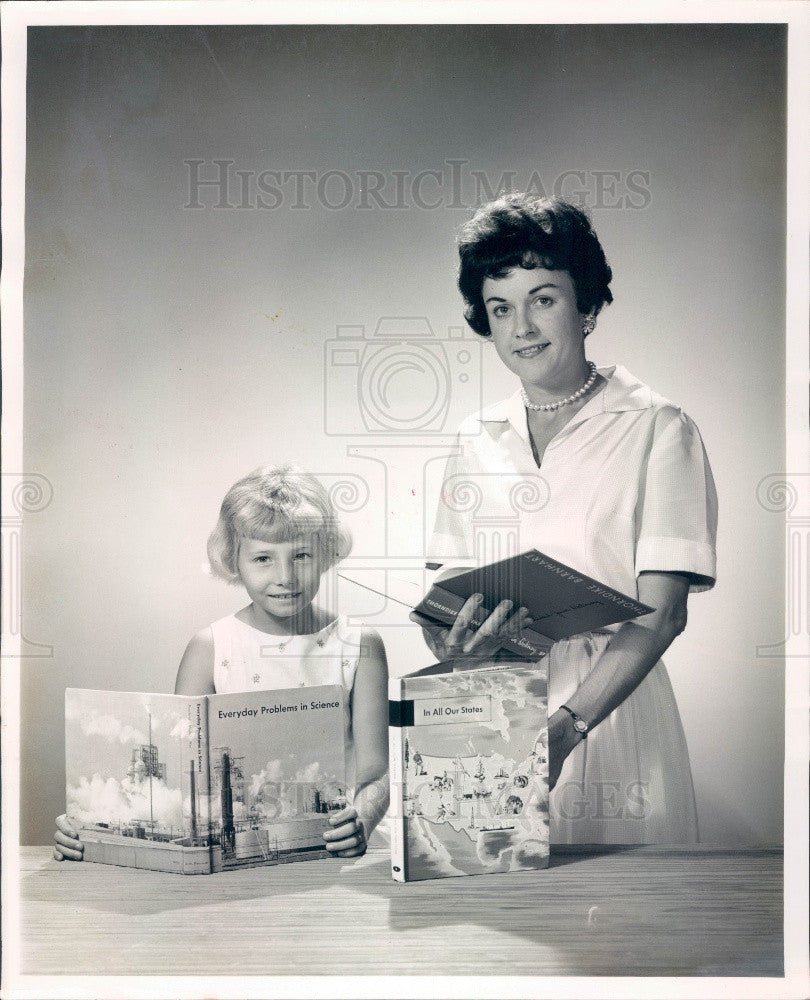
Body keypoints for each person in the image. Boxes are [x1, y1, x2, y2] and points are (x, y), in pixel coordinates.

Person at [415, 194, 717, 844]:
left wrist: (563, 732)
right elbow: (445, 613)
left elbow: (663, 613)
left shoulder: (658, 428)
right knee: (505, 928)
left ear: (587, 303)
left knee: (619, 926)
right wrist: (452, 644)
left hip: (609, 712)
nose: (521, 326)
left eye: (543, 298)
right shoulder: (475, 437)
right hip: (500, 713)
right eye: (501, 308)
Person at [54, 465, 389, 860]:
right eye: (263, 558)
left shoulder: (359, 645)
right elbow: (180, 774)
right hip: (236, 859)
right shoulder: (210, 646)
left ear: (326, 554)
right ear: (234, 560)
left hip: (330, 851)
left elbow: (376, 774)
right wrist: (91, 825)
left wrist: (361, 821)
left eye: (301, 555)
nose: (285, 576)